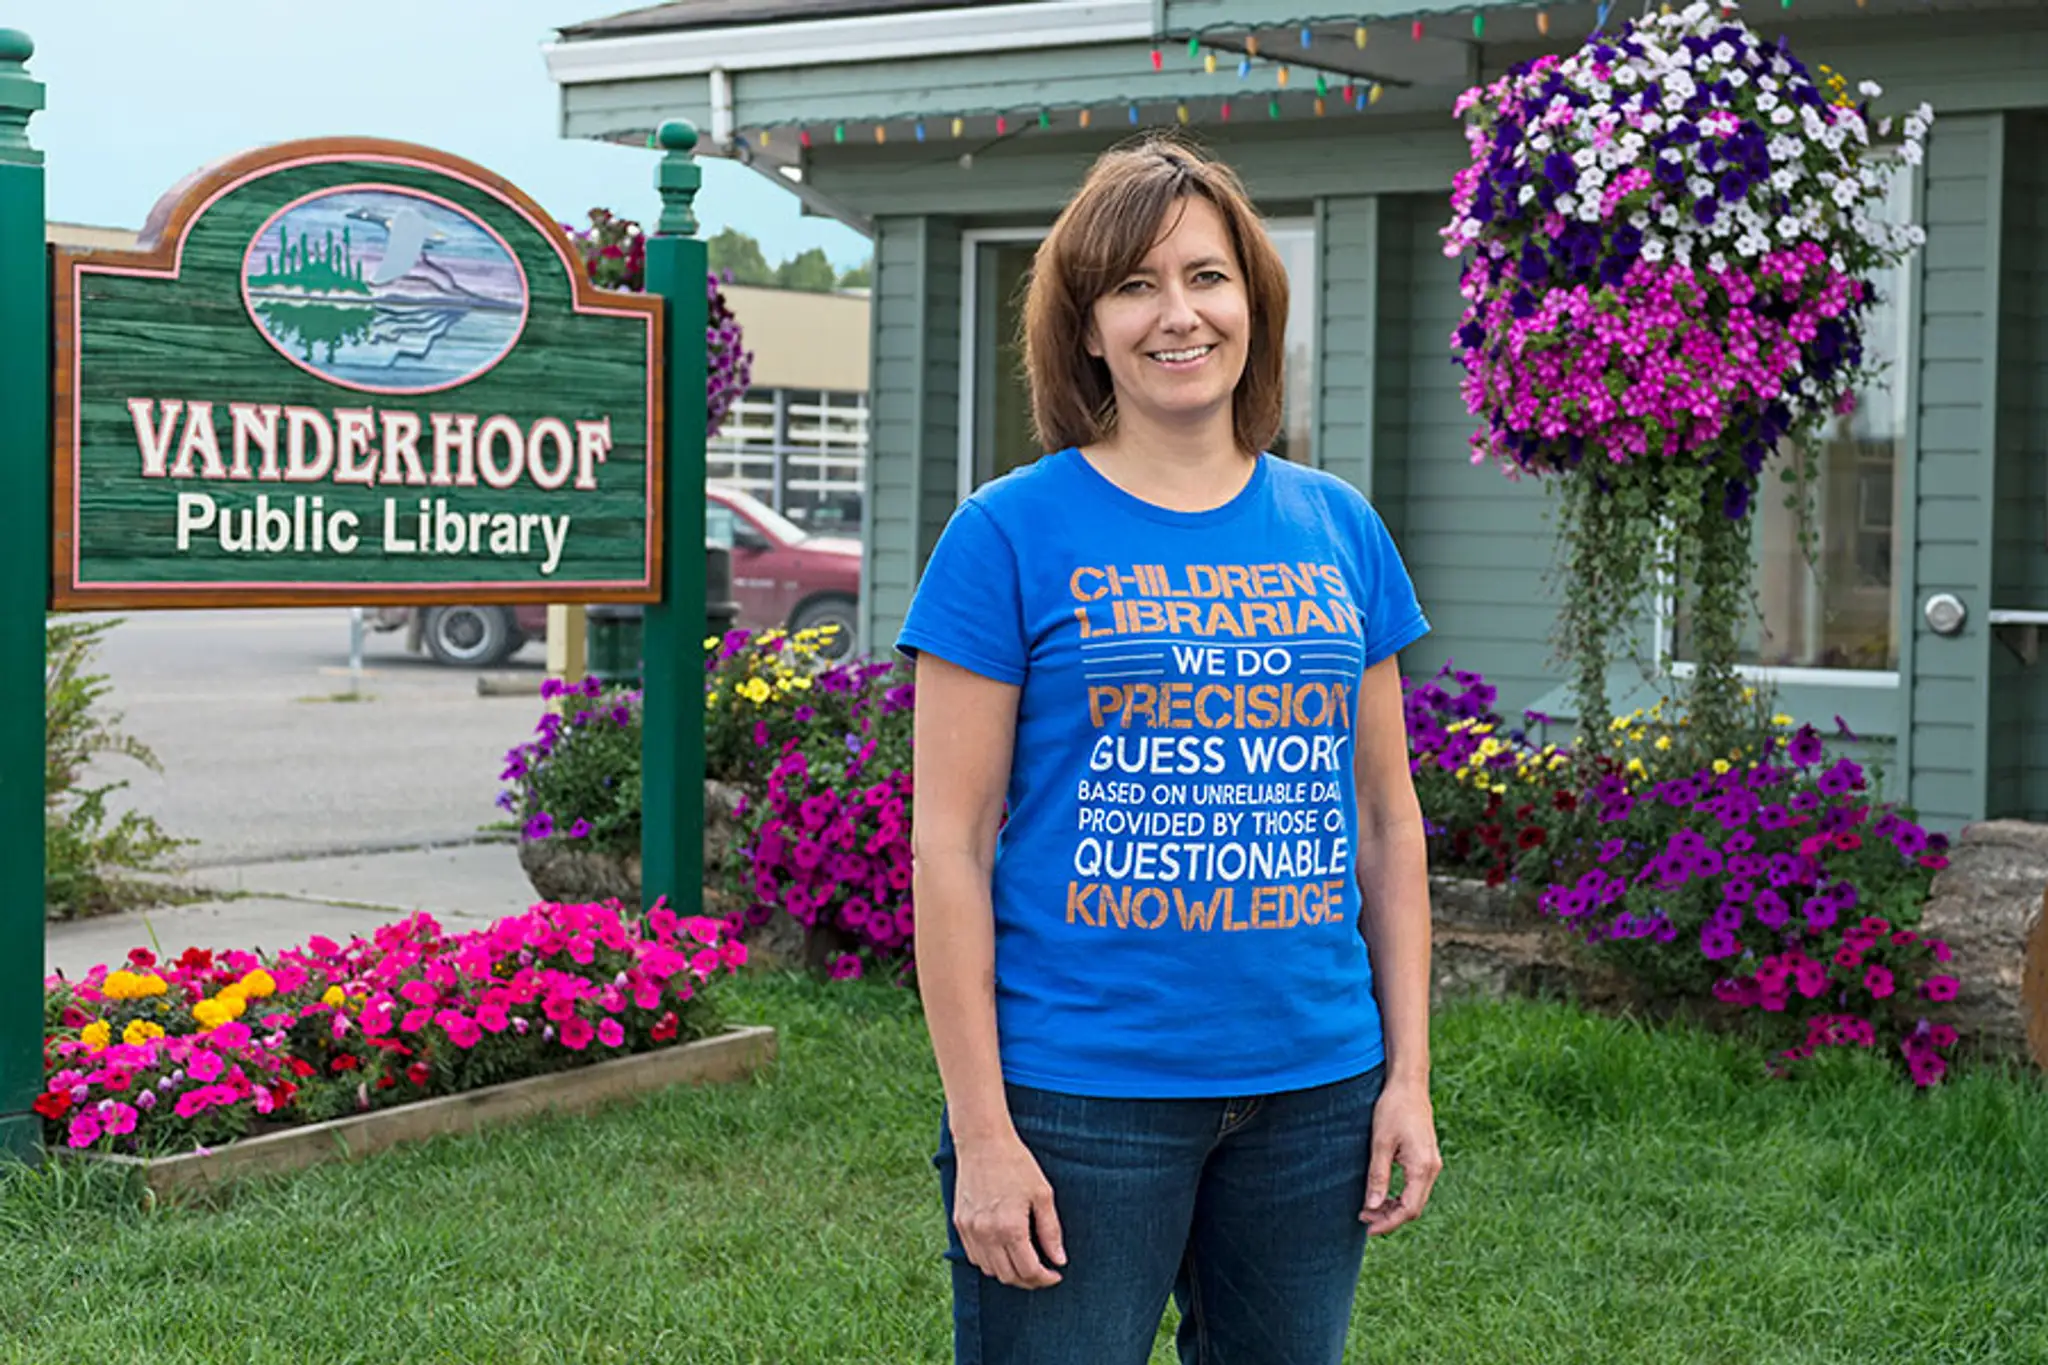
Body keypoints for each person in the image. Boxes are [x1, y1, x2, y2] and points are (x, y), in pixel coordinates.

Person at [897, 134, 1441, 1365]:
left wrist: (1403, 1077)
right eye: (1133, 285)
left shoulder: (1336, 527)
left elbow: (1385, 822)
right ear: (1086, 327)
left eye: (1205, 276)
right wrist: (982, 1131)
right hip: (1079, 1096)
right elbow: (948, 843)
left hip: (1314, 1089)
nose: (1175, 313)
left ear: (1253, 300)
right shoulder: (1006, 533)